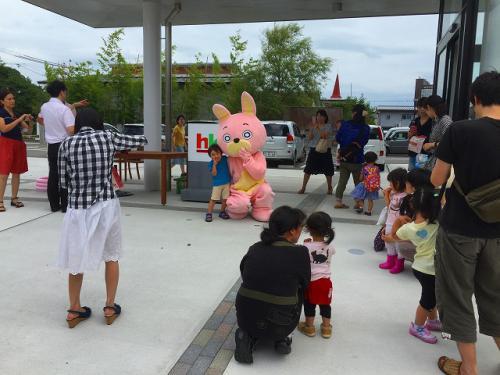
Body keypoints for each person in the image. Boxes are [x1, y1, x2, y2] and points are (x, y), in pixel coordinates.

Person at [431, 71, 500, 375]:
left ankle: (468, 369)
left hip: (460, 229)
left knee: (457, 297)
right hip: (498, 234)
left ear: (475, 99)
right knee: (496, 297)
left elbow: (437, 178)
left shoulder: (460, 131)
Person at [57, 108, 147, 328]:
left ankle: (74, 309)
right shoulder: (108, 136)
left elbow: (62, 181)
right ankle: (109, 306)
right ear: (99, 122)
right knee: (111, 255)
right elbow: (140, 140)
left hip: (77, 209)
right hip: (106, 205)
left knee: (76, 259)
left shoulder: (66, 145)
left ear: (78, 123)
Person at [234, 206, 310, 364]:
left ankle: (246, 336)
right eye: (301, 227)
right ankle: (282, 337)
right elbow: (305, 283)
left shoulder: (255, 248)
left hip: (245, 315)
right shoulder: (300, 253)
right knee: (300, 290)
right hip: (281, 320)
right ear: (292, 231)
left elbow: (243, 271)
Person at [383, 189, 442, 344]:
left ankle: (433, 321)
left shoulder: (409, 228)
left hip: (423, 267)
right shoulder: (437, 223)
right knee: (427, 300)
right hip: (428, 269)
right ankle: (417, 326)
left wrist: (397, 221)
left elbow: (392, 237)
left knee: (432, 296)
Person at [38, 80, 87, 212]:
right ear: (61, 92)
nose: (66, 94)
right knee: (66, 175)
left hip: (52, 146)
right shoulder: (64, 109)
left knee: (53, 174)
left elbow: (40, 119)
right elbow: (71, 130)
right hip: (64, 144)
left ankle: (54, 205)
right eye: (65, 92)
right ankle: (65, 205)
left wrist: (50, 126)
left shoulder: (45, 106)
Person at [297, 212, 335, 339]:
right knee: (325, 304)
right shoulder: (330, 246)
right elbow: (329, 252)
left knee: (309, 304)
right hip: (326, 282)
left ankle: (309, 327)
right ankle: (326, 328)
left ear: (309, 229)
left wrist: (306, 244)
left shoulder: (306, 246)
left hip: (311, 282)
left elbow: (304, 257)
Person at [0, 89, 31, 212]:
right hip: (6, 143)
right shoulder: (1, 113)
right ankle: (0, 201)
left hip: (18, 143)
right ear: (2, 101)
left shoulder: (16, 114)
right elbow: (4, 129)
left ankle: (14, 198)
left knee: (16, 173)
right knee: (3, 174)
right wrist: (18, 120)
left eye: (13, 98)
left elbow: (27, 130)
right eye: (9, 99)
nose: (12, 101)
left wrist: (29, 120)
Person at [334, 104, 370, 208]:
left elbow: (338, 138)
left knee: (342, 181)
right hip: (357, 159)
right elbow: (364, 142)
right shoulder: (365, 128)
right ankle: (358, 203)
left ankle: (338, 201)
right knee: (358, 182)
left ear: (354, 113)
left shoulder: (345, 124)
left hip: (344, 158)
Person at [298, 109, 335, 195]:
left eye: (321, 116)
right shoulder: (314, 126)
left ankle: (329, 187)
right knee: (308, 169)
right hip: (314, 150)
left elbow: (324, 136)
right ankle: (303, 187)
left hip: (325, 150)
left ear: (325, 117)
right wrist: (312, 128)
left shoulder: (328, 126)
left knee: (328, 170)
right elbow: (310, 137)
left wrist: (317, 127)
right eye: (318, 116)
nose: (319, 118)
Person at [379, 168, 408, 274]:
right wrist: (386, 195)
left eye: (391, 182)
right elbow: (389, 207)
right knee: (388, 242)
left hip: (399, 224)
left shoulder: (406, 197)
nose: (390, 185)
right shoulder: (394, 194)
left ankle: (399, 264)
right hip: (390, 222)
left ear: (399, 182)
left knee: (398, 244)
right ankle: (390, 261)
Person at [421, 95, 453, 171]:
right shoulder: (437, 121)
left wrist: (431, 145)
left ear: (429, 107)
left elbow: (451, 143)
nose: (427, 114)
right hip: (435, 161)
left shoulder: (445, 121)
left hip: (441, 163)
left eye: (426, 111)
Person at [206, 144, 230, 222]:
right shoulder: (211, 164)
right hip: (217, 185)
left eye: (217, 153)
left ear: (221, 153)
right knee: (213, 200)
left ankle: (222, 212)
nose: (216, 156)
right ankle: (209, 213)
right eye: (213, 154)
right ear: (210, 156)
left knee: (225, 200)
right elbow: (214, 174)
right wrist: (214, 165)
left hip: (227, 183)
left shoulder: (225, 159)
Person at [350, 151, 380, 216]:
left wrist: (362, 178)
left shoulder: (365, 168)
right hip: (373, 186)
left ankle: (361, 207)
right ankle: (369, 212)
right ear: (375, 160)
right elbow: (378, 177)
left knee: (360, 196)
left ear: (365, 160)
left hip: (364, 185)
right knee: (370, 199)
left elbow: (361, 178)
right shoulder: (377, 168)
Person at [408, 97, 433, 171]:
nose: (421, 109)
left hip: (424, 153)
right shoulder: (415, 121)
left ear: (428, 108)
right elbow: (409, 136)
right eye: (419, 107)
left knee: (421, 174)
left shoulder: (432, 121)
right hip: (413, 151)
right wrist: (410, 134)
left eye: (424, 107)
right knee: (412, 174)